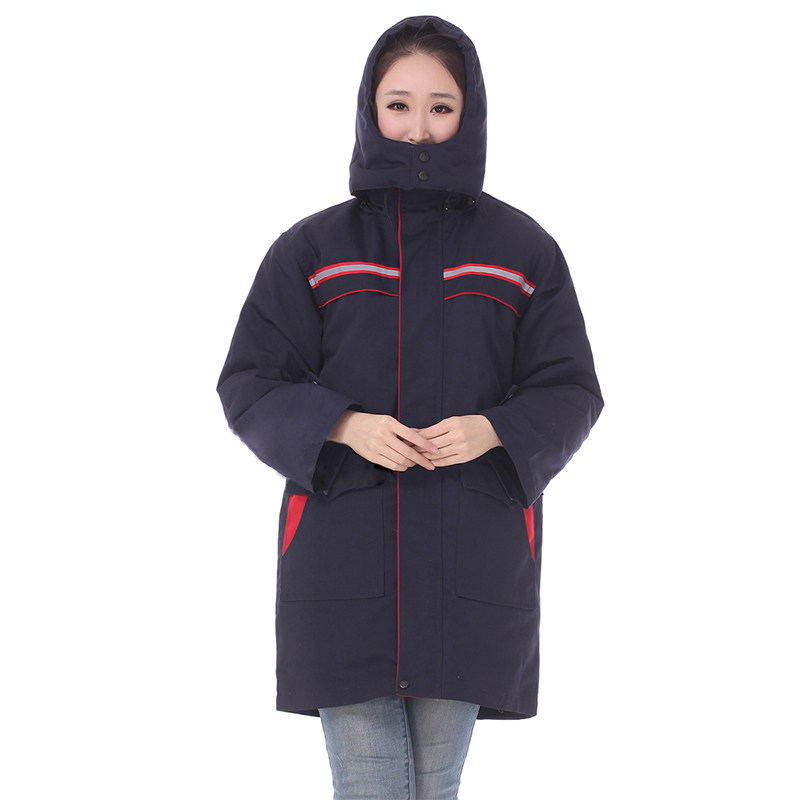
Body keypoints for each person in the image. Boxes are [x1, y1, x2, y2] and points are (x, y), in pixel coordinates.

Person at [217, 15, 603, 800]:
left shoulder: (522, 251)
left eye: (440, 107)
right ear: (370, 110)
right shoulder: (313, 250)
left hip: (471, 558)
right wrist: (343, 424)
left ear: (470, 113)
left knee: (435, 785)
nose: (419, 129)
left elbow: (570, 388)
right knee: (371, 783)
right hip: (343, 557)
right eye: (399, 105)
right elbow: (250, 380)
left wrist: (493, 429)